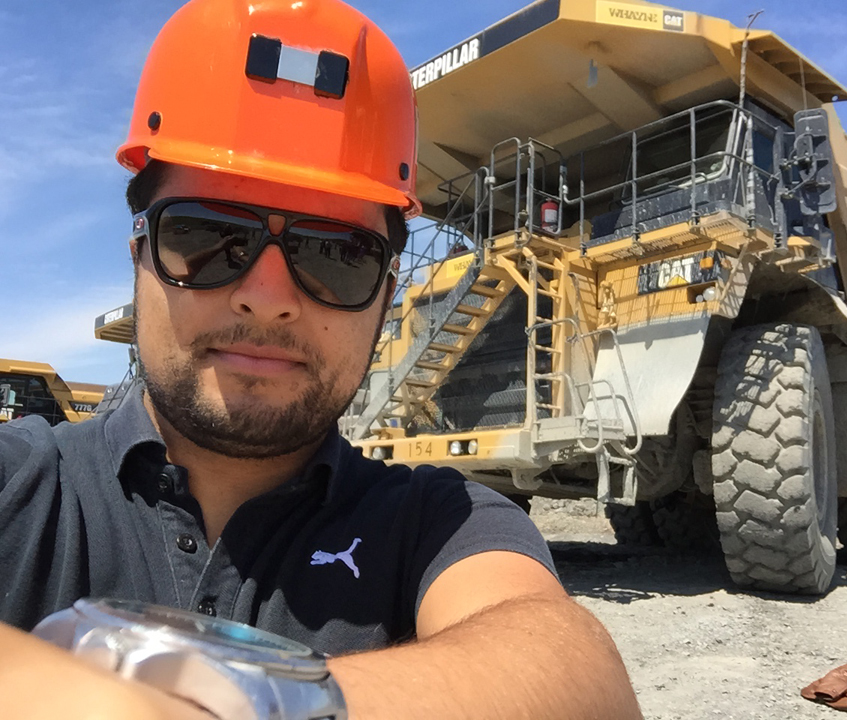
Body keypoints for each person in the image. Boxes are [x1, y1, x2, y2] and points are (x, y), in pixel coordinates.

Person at [0, 0, 642, 717]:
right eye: (208, 237)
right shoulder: (20, 484)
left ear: (386, 295)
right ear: (139, 257)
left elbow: (574, 675)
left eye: (336, 255)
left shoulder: (439, 522)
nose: (267, 297)